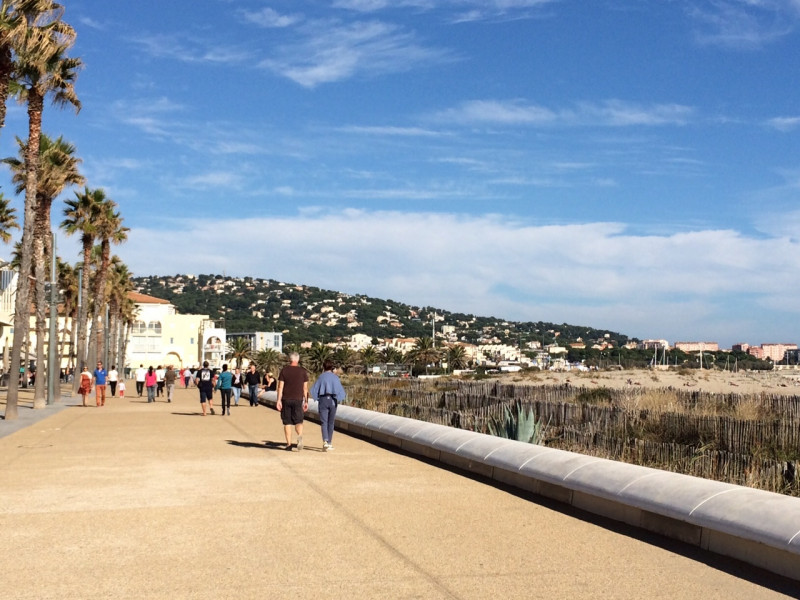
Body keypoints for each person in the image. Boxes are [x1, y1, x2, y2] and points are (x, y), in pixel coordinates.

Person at [310, 359, 347, 452]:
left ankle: (325, 441)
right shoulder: (335, 377)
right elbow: (340, 391)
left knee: (324, 422)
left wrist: (318, 398)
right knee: (331, 422)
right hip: (333, 401)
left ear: (323, 367)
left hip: (323, 400)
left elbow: (314, 390)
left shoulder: (321, 377)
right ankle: (329, 442)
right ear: (332, 367)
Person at [276, 352, 309, 451]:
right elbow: (305, 388)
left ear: (289, 360)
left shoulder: (284, 371)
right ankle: (299, 436)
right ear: (298, 360)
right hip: (298, 399)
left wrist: (278, 400)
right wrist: (306, 401)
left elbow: (280, 387)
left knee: (287, 423)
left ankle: (289, 444)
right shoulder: (303, 371)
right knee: (299, 421)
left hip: (286, 399)